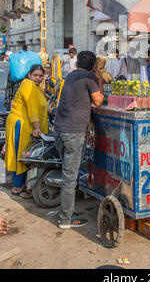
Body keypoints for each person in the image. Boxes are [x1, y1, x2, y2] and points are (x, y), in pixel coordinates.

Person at [54, 51, 104, 229]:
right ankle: (66, 219)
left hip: (59, 130)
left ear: (76, 63)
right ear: (93, 65)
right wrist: (98, 77)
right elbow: (98, 101)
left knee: (67, 174)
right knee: (70, 177)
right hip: (73, 133)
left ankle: (66, 211)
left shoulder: (70, 75)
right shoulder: (89, 76)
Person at [5, 65, 49, 199]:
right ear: (29, 75)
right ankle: (17, 187)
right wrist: (37, 128)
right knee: (21, 155)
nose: (38, 78)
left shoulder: (36, 88)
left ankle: (22, 185)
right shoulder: (28, 85)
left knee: (25, 154)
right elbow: (32, 109)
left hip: (26, 124)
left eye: (40, 76)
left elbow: (40, 106)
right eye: (35, 75)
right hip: (21, 124)